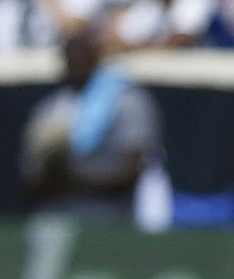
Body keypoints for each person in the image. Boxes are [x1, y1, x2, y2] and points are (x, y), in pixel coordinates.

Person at [17, 25, 158, 219]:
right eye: (72, 60)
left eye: (84, 59)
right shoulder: (51, 109)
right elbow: (33, 177)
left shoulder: (126, 101)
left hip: (112, 215)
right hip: (60, 215)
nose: (78, 67)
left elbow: (133, 170)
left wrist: (79, 181)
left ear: (95, 60)